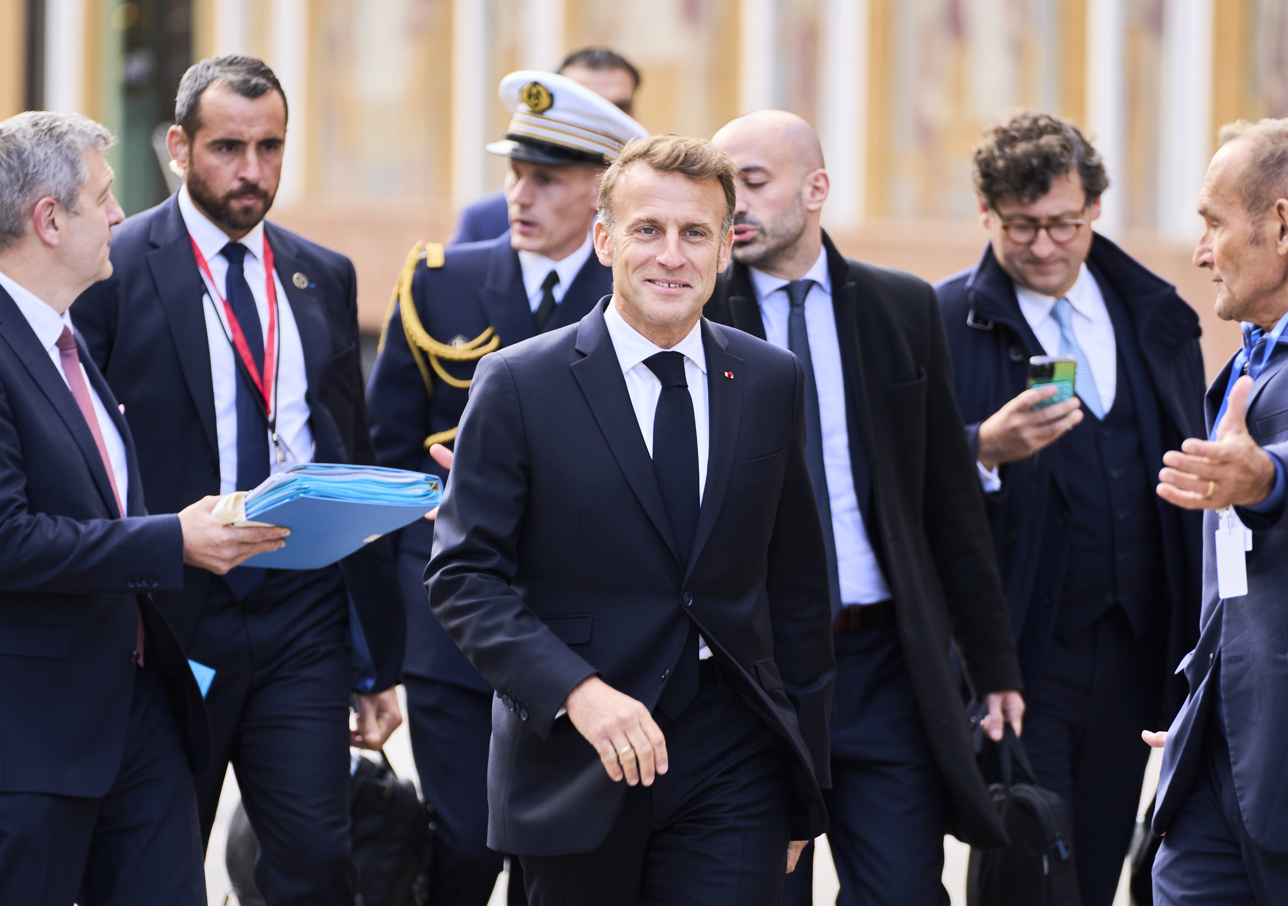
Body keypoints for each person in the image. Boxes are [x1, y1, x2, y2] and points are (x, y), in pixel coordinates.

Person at [425, 133, 835, 906]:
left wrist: (801, 784)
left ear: (723, 252)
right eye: (648, 230)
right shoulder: (517, 383)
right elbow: (462, 577)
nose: (671, 256)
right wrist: (577, 691)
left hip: (733, 757)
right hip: (576, 757)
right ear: (606, 240)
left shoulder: (769, 381)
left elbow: (798, 592)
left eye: (695, 234)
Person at [71, 55, 404, 904]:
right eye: (227, 147)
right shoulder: (112, 267)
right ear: (179, 147)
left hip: (302, 608)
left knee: (317, 860)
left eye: (270, 147)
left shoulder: (322, 274)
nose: (251, 171)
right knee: (161, 857)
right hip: (175, 609)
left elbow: (346, 444)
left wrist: (376, 656)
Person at [706, 110, 1024, 906]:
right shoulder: (697, 314)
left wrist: (993, 665)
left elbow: (948, 497)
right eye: (724, 185)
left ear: (816, 189)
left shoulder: (900, 307)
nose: (733, 204)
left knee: (903, 893)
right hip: (758, 673)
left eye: (753, 182)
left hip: (884, 663)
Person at [367, 69, 644, 906]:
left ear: (600, 193)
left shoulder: (634, 297)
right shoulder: (441, 279)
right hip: (455, 628)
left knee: (554, 853)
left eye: (546, 179)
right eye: (514, 173)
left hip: (581, 633)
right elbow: (387, 458)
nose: (519, 196)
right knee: (468, 836)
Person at [0, 111, 289, 905]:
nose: (123, 215)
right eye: (105, 196)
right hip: (35, 740)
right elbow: (8, 538)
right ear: (49, 220)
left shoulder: (65, 339)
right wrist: (174, 540)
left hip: (140, 714)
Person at [934, 110, 1204, 906]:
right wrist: (981, 446)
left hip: (1137, 646)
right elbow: (903, 478)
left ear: (1094, 211)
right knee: (1025, 859)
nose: (1044, 247)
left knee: (1102, 852)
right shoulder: (942, 320)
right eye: (1022, 227)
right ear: (986, 214)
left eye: (1063, 224)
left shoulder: (1153, 313)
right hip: (1019, 648)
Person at [1146, 116, 1288, 904]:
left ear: (1280, 226)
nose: (1200, 252)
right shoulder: (1258, 345)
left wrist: (1268, 475)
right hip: (1225, 750)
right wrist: (1213, 692)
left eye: (1212, 223)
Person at [454, 47, 642, 244]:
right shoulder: (485, 224)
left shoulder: (652, 218)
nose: (602, 123)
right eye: (582, 105)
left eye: (620, 108)